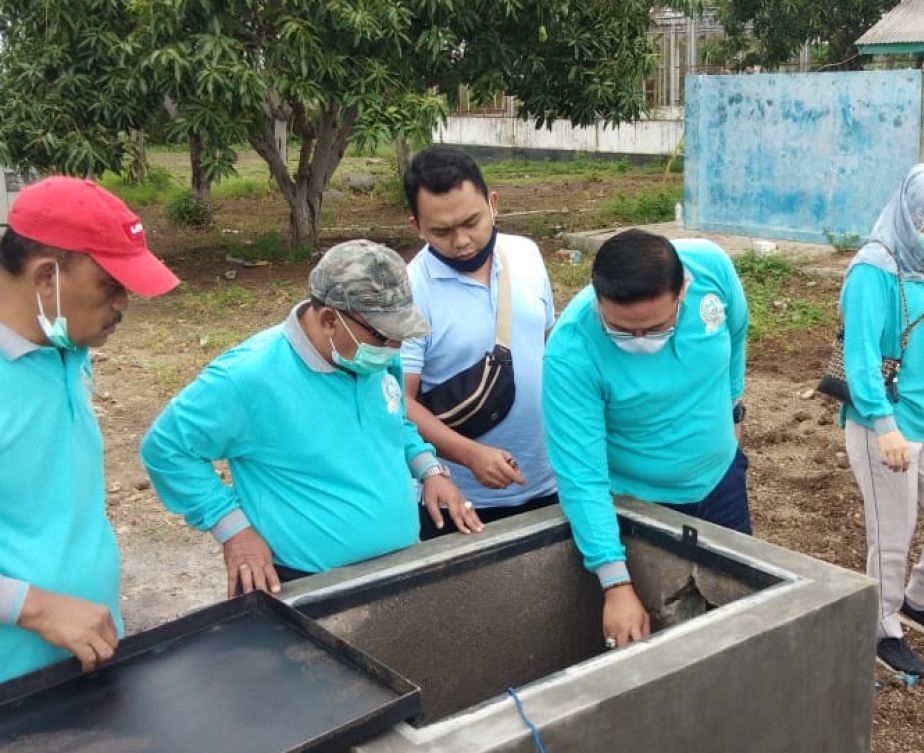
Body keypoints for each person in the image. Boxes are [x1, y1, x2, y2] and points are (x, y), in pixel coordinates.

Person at [141, 240, 482, 598]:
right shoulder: (248, 376)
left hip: (395, 572)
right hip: (302, 585)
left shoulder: (374, 355)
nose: (396, 349)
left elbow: (393, 421)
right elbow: (166, 448)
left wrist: (427, 468)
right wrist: (233, 528)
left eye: (401, 336)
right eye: (384, 334)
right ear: (330, 320)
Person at [0, 177, 179, 681]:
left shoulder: (67, 347)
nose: (123, 303)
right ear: (45, 278)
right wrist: (32, 606)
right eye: (110, 285)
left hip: (84, 648)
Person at [543, 228, 749, 648]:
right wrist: (615, 582)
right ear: (598, 298)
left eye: (657, 328)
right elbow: (581, 476)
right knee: (667, 634)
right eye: (620, 331)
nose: (639, 342)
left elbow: (737, 334)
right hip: (642, 506)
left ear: (683, 291)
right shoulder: (571, 352)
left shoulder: (710, 269)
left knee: (740, 612)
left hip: (721, 482)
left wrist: (733, 410)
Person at [838, 163, 924, 678]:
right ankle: (882, 627)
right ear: (908, 216)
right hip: (886, 424)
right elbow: (860, 357)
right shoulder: (873, 269)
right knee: (891, 534)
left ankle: (918, 600)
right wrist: (883, 424)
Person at [399, 147, 557, 538]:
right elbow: (399, 401)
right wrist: (470, 456)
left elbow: (546, 349)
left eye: (472, 221)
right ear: (416, 225)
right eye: (442, 231)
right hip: (462, 501)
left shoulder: (527, 254)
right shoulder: (409, 290)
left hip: (552, 481)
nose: (462, 241)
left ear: (493, 203)